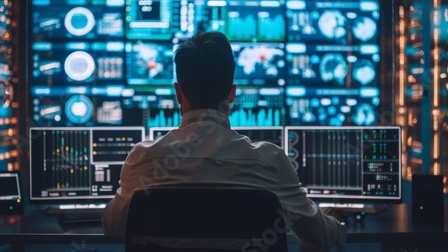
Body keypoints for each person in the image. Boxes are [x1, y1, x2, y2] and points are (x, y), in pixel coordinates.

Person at [102, 31, 347, 250]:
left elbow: (112, 229)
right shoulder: (270, 161)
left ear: (178, 93)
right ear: (232, 93)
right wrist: (332, 222)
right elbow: (319, 238)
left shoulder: (143, 159)